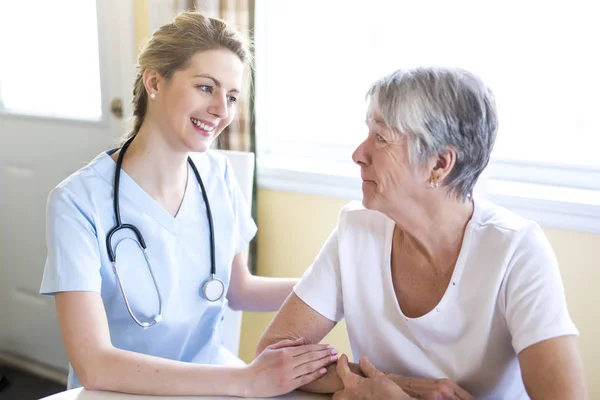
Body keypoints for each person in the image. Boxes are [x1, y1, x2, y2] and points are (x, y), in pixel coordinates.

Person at [39, 11, 336, 397]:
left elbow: (239, 289)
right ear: (154, 82)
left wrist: (339, 289)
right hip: (117, 391)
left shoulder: (219, 177)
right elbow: (94, 365)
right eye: (205, 88)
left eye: (230, 96)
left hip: (212, 381)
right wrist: (247, 380)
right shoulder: (77, 202)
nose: (221, 111)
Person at [257, 67, 587, 399]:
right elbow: (272, 355)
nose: (358, 155)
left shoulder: (517, 250)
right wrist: (394, 387)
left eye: (381, 138)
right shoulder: (357, 230)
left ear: (439, 164)